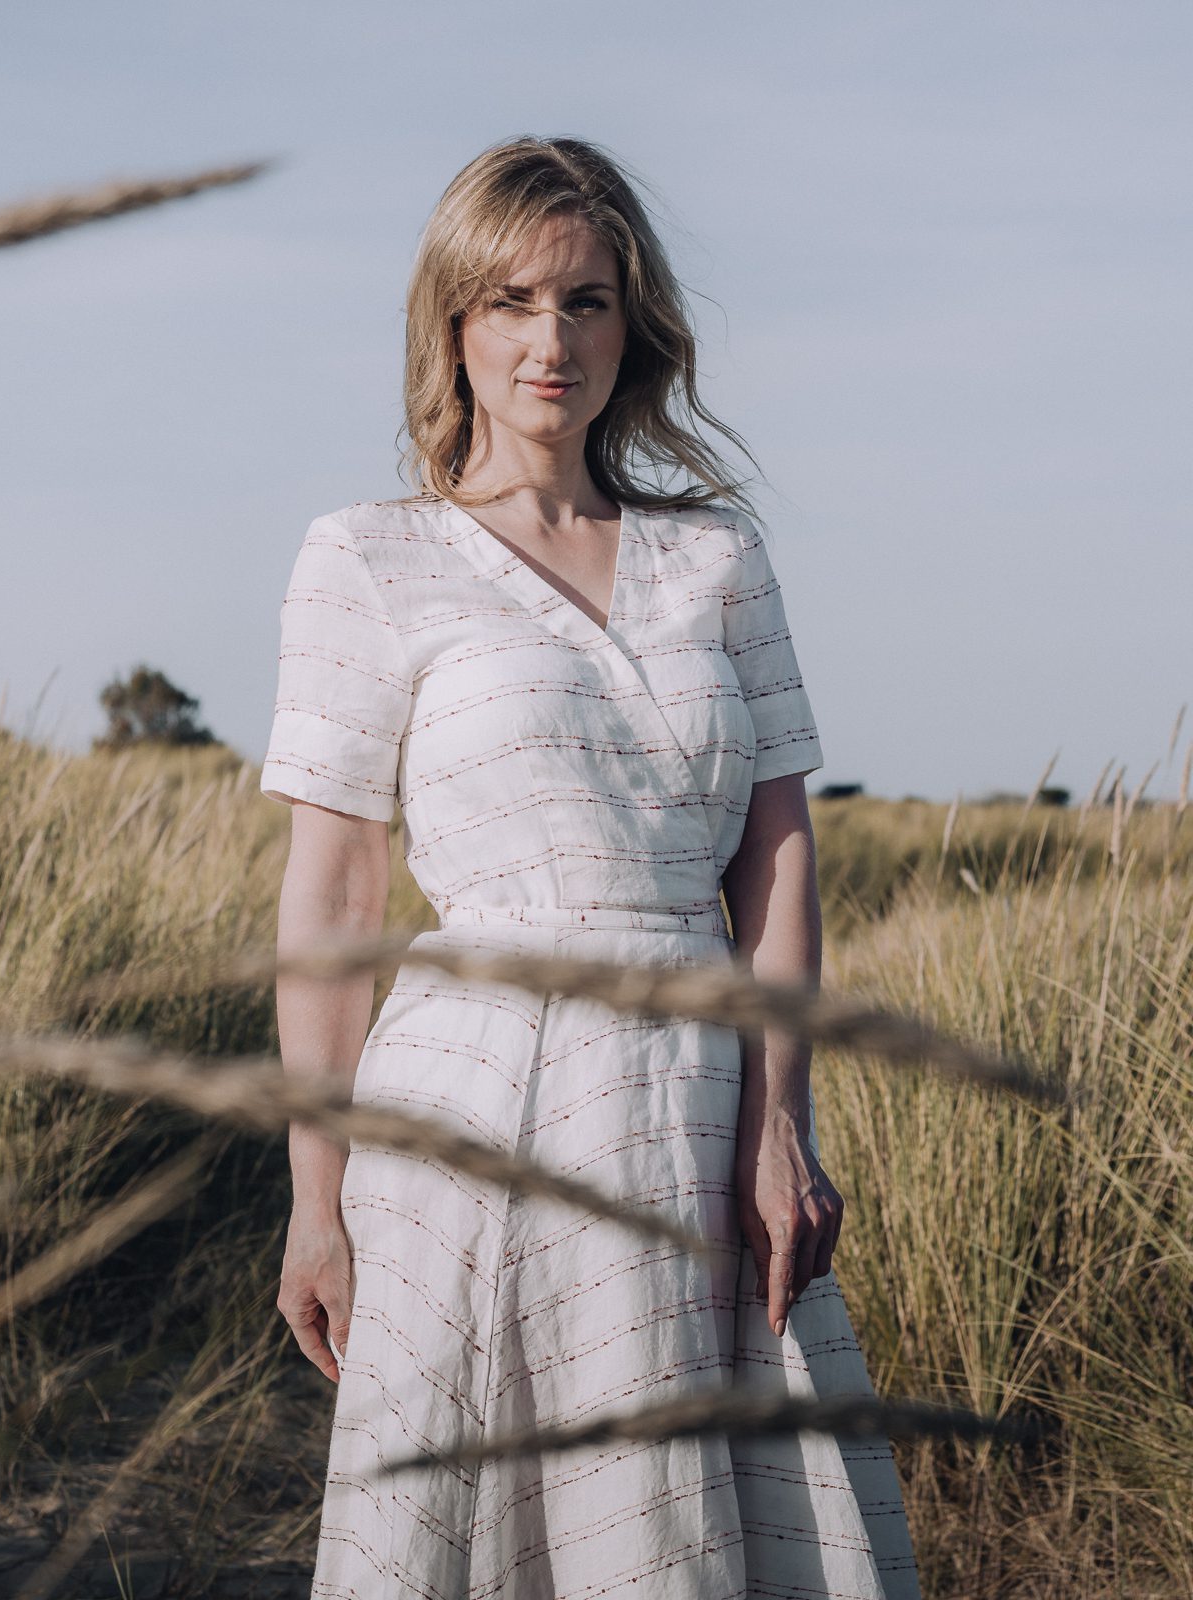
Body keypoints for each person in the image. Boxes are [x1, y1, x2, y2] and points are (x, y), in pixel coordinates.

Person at [261, 135, 920, 1600]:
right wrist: (318, 1199)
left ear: (638, 327)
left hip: (693, 1104)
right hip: (469, 1106)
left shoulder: (719, 562)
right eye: (509, 301)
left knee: (694, 1526)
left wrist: (780, 1124)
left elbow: (778, 855)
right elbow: (335, 903)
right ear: (452, 324)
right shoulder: (372, 558)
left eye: (588, 301)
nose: (550, 340)